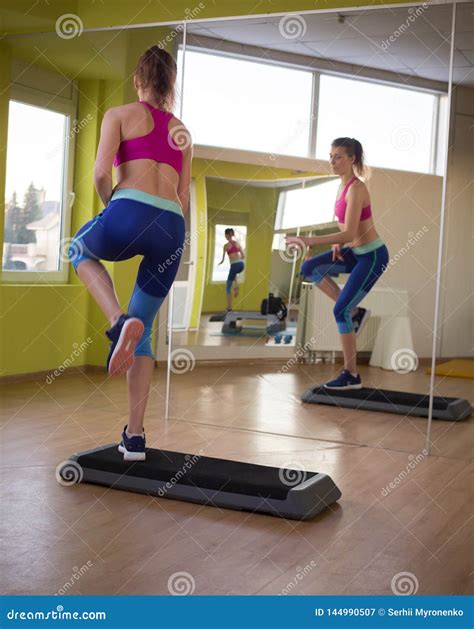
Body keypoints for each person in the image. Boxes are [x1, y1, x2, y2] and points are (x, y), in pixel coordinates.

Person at [68, 46, 193, 460]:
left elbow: (102, 173)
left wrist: (113, 209)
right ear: (169, 85)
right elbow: (183, 199)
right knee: (145, 331)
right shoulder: (182, 132)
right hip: (172, 227)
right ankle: (134, 438)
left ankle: (116, 321)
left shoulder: (118, 115)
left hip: (130, 210)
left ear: (138, 80)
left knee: (79, 246)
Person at [286, 137, 389, 390]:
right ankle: (355, 312)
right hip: (353, 252)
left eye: (339, 156)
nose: (332, 160)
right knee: (309, 268)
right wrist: (338, 243)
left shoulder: (357, 188)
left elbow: (351, 233)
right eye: (331, 156)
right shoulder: (341, 187)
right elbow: (345, 226)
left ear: (352, 159)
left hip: (372, 256)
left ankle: (351, 375)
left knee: (338, 311)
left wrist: (309, 241)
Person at [218, 228, 245, 311]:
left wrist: (221, 262)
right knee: (234, 273)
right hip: (241, 265)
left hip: (234, 265)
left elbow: (223, 259)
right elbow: (243, 256)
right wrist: (238, 259)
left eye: (225, 235)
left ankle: (229, 307)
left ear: (226, 235)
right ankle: (236, 286)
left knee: (228, 288)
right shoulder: (237, 243)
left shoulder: (225, 246)